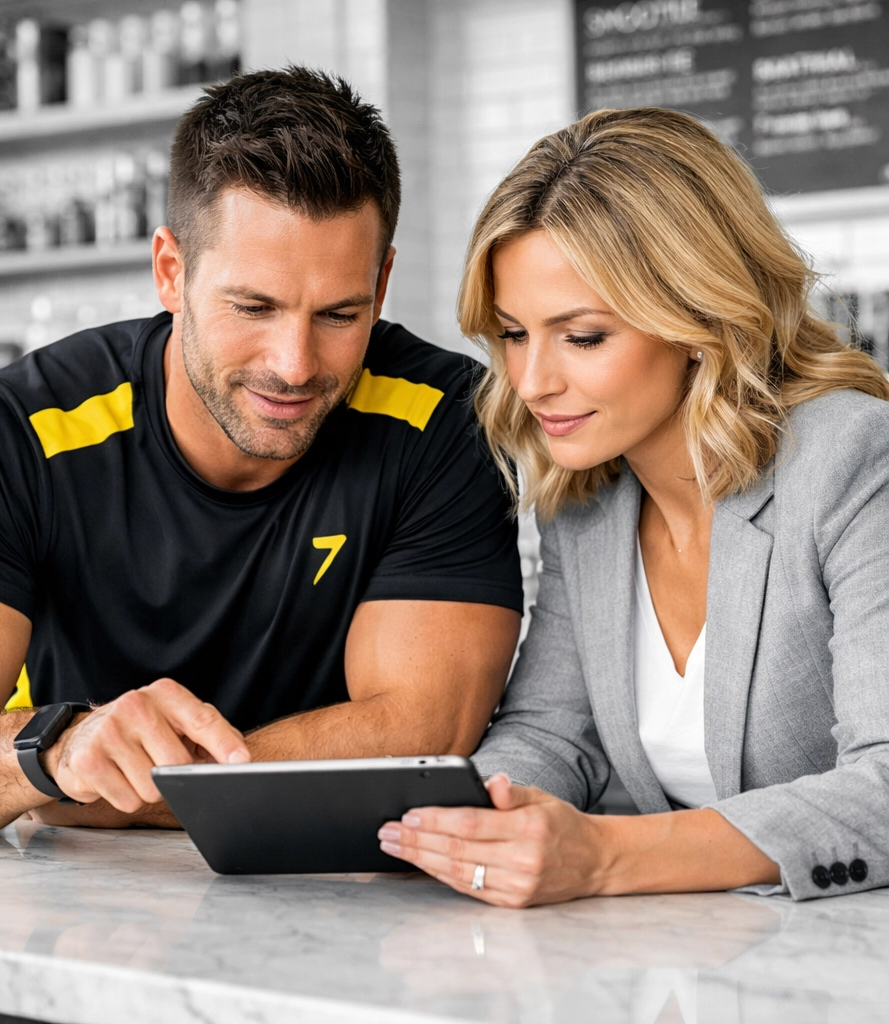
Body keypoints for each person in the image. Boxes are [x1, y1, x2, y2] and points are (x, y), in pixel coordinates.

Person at [0, 67, 522, 838]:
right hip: (87, 905)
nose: (295, 363)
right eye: (253, 307)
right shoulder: (12, 430)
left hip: (350, 891)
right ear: (170, 271)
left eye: (340, 314)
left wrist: (136, 786)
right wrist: (63, 751)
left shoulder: (448, 421)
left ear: (381, 285)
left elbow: (421, 735)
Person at [377, 106, 889, 906]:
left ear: (696, 319)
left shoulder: (853, 458)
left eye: (581, 337)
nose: (533, 381)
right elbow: (552, 733)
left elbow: (885, 784)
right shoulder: (589, 500)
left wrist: (609, 855)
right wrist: (448, 823)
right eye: (513, 334)